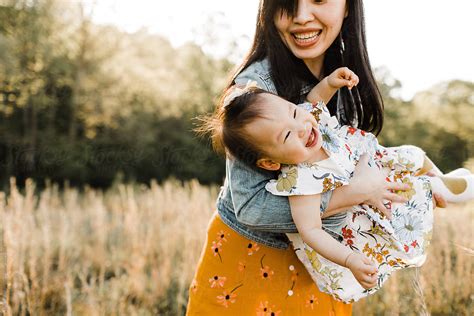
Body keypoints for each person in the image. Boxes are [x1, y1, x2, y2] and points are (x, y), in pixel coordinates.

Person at [187, 0, 446, 314]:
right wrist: (355, 194)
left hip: (324, 262)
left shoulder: (336, 77)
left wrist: (412, 181)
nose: (301, 17)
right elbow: (251, 209)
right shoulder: (253, 93)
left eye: (319, 0)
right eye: (286, 4)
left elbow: (348, 158)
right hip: (253, 259)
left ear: (348, 6)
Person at [200, 67, 473, 302]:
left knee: (412, 153)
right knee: (410, 196)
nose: (302, 128)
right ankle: (437, 189)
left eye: (294, 114)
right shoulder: (300, 180)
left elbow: (313, 101)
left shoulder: (310, 121)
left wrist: (330, 82)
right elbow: (311, 231)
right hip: (365, 211)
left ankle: (439, 179)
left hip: (372, 165)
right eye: (286, 135)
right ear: (270, 163)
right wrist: (350, 260)